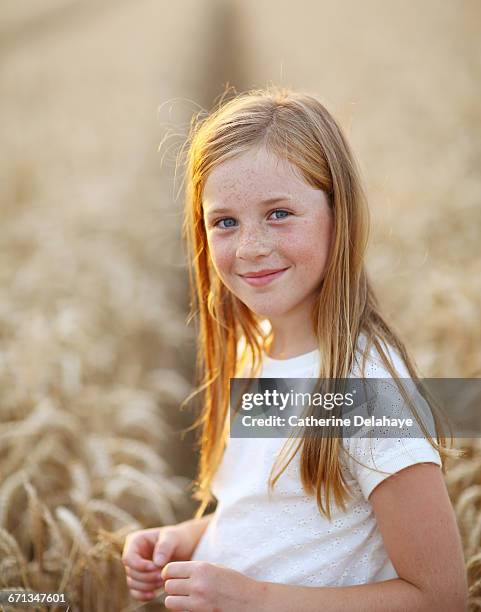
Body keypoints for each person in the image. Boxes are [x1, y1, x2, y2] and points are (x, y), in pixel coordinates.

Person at [122, 87, 468, 610]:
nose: (251, 247)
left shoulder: (365, 388)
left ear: (339, 212)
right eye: (225, 222)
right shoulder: (259, 347)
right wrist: (190, 537)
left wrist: (255, 598)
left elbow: (440, 596)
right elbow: (281, 512)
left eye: (279, 213)